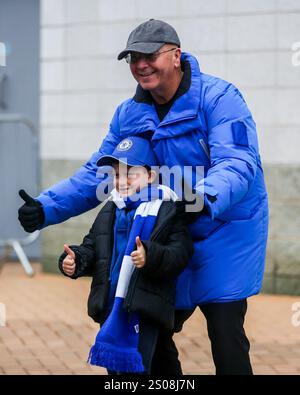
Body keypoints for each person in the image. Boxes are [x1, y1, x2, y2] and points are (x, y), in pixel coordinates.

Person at [18, 19, 269, 375]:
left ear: (176, 56)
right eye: (133, 58)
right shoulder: (129, 112)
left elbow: (238, 161)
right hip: (163, 232)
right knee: (152, 323)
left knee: (226, 333)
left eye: (150, 55)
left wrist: (202, 197)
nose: (140, 64)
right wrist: (46, 207)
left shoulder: (219, 98)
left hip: (223, 229)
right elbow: (99, 173)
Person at [58, 136, 194, 375]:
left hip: (143, 308)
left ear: (150, 176)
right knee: (116, 369)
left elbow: (180, 253)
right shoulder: (112, 208)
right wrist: (76, 260)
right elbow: (94, 247)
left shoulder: (166, 208)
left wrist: (150, 256)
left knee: (136, 370)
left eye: (130, 173)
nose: (122, 181)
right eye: (117, 175)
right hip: (110, 305)